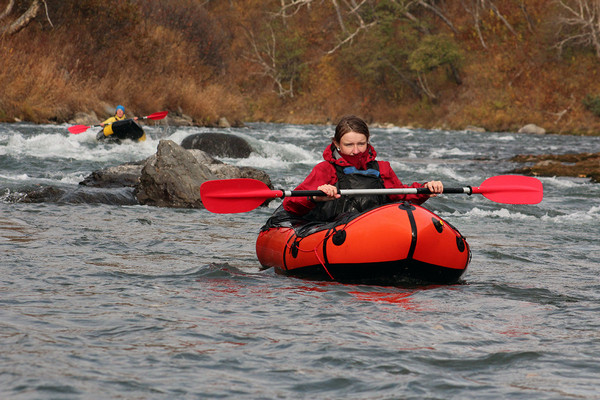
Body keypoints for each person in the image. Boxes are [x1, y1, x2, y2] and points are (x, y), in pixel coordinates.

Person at [282, 115, 443, 221]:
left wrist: (425, 189)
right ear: (337, 144)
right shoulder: (325, 169)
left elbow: (402, 196)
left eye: (361, 143)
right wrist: (315, 197)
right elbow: (291, 204)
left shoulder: (382, 168)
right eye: (349, 145)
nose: (356, 150)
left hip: (375, 230)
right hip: (333, 231)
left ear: (368, 141)